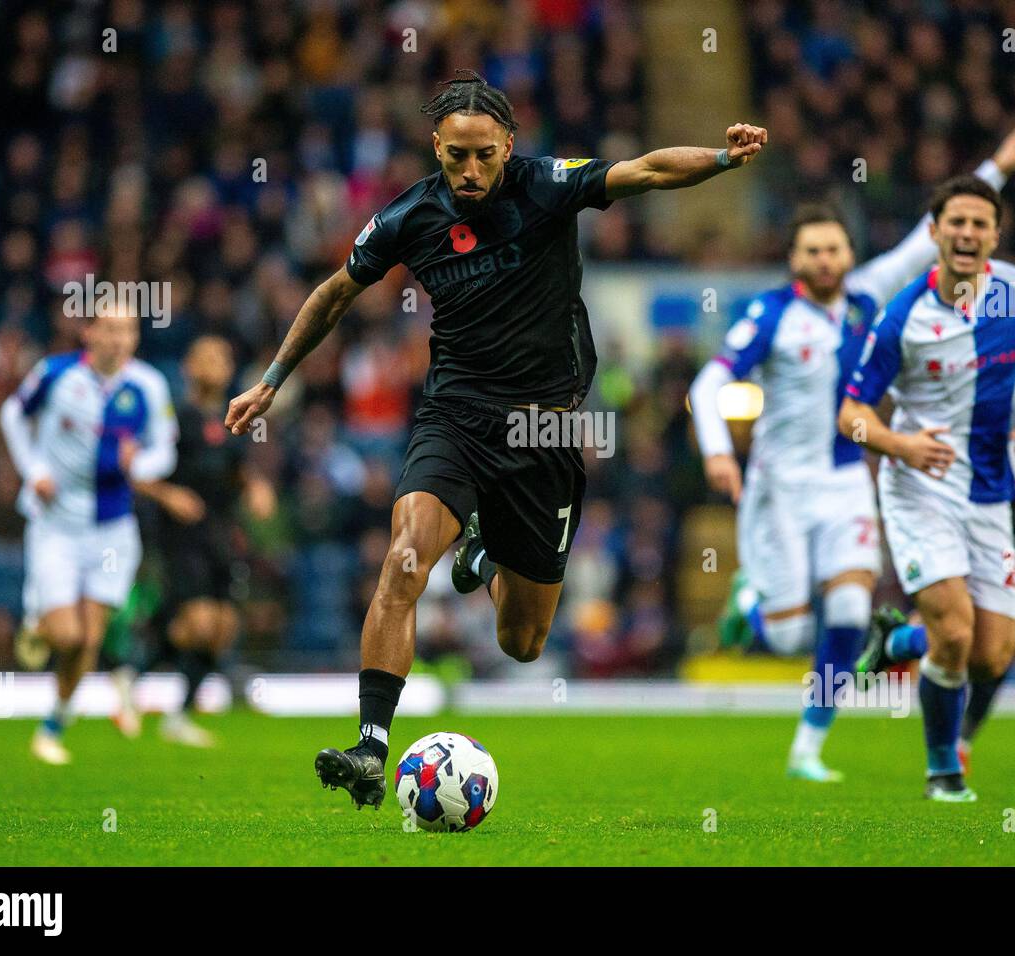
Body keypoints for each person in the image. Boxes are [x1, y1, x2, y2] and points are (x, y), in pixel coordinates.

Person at [224, 70, 768, 808]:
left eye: (485, 154)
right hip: (456, 414)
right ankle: (372, 745)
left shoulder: (548, 183)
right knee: (405, 557)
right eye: (456, 157)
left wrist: (724, 158)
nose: (472, 170)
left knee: (523, 640)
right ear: (436, 147)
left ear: (508, 145)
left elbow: (643, 171)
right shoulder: (407, 217)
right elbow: (335, 293)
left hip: (544, 425)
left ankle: (484, 543)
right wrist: (272, 379)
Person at [689, 118, 1015, 782]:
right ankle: (752, 605)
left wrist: (998, 167)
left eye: (834, 249)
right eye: (812, 251)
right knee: (790, 635)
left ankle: (807, 749)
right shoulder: (770, 315)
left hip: (847, 480)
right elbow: (710, 385)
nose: (825, 261)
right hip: (779, 488)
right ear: (793, 259)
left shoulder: (866, 300)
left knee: (849, 611)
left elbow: (922, 242)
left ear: (849, 255)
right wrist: (718, 453)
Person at [838, 175, 1015, 801]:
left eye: (980, 224)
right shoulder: (901, 317)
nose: (967, 234)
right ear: (936, 233)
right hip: (921, 486)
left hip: (993, 491)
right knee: (956, 632)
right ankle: (942, 769)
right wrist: (901, 445)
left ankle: (896, 639)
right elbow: (852, 414)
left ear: (995, 235)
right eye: (956, 223)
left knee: (992, 656)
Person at [0, 309, 178, 764]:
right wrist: (33, 469)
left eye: (128, 330)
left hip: (113, 529)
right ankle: (39, 621)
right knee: (66, 635)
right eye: (110, 329)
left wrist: (137, 467)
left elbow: (164, 450)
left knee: (88, 640)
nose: (119, 339)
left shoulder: (149, 386)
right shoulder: (56, 373)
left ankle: (53, 726)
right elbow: (12, 414)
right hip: (56, 523)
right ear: (89, 332)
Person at [125, 336, 277, 746]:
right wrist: (168, 494)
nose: (216, 364)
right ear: (189, 366)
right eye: (207, 357)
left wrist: (256, 488)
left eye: (223, 357)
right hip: (181, 532)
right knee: (199, 621)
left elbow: (238, 470)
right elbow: (135, 469)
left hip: (221, 530)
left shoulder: (233, 418)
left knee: (222, 627)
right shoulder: (172, 417)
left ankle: (154, 689)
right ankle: (137, 678)